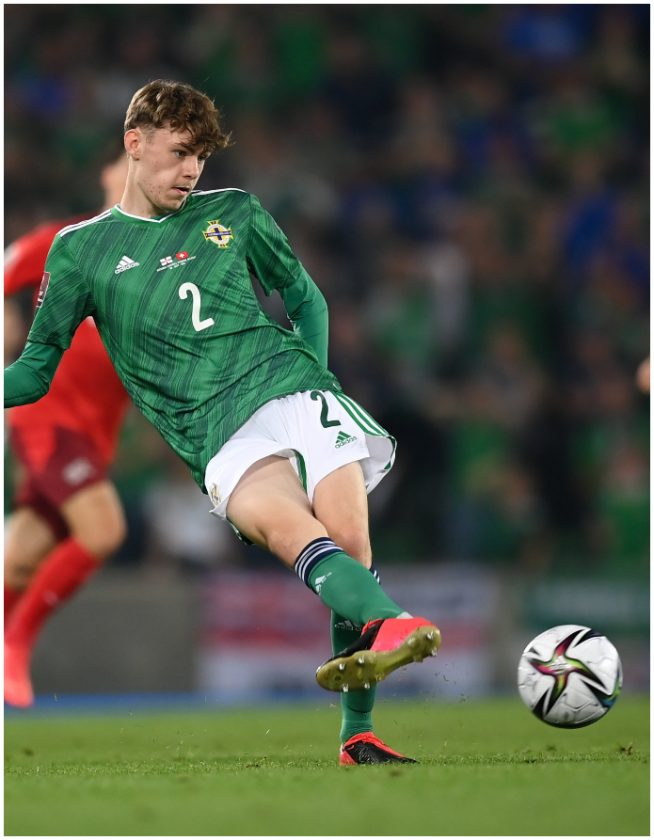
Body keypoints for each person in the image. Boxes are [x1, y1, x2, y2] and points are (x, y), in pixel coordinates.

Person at [4, 80, 441, 764]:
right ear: (134, 142)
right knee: (297, 537)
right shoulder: (80, 251)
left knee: (351, 545)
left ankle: (357, 735)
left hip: (295, 391)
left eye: (201, 157)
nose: (191, 170)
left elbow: (305, 298)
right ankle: (390, 623)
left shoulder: (234, 212)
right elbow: (35, 371)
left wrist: (315, 381)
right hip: (220, 436)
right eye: (179, 152)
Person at [4, 148, 131, 708]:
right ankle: (14, 645)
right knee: (103, 530)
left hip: (95, 435)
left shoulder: (167, 266)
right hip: (49, 416)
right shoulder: (68, 240)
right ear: (107, 173)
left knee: (19, 560)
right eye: (131, 160)